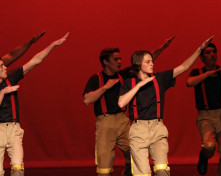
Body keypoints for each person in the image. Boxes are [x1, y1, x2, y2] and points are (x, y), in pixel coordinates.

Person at [118, 36, 213, 176]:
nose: (152, 63)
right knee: (142, 173)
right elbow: (121, 103)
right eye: (148, 61)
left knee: (162, 170)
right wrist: (139, 85)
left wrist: (199, 49)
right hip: (139, 131)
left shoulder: (160, 79)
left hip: (157, 129)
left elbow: (184, 67)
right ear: (139, 65)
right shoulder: (129, 83)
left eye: (151, 61)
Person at [83, 36, 175, 176]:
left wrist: (162, 48)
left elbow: (142, 63)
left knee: (134, 152)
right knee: (104, 164)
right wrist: (105, 88)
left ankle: (128, 172)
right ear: (105, 62)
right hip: (105, 123)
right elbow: (87, 100)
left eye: (120, 59)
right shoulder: (96, 79)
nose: (120, 62)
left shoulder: (123, 75)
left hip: (123, 121)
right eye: (116, 59)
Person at [0, 33, 69, 176]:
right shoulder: (5, 86)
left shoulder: (11, 77)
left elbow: (35, 61)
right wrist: (3, 93)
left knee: (18, 168)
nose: (5, 67)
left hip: (13, 129)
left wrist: (53, 45)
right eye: (1, 66)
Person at [186, 43, 221, 176]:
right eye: (208, 52)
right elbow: (189, 82)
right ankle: (204, 157)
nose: (212, 55)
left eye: (214, 52)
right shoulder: (197, 72)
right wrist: (208, 74)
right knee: (209, 146)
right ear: (202, 58)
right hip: (205, 116)